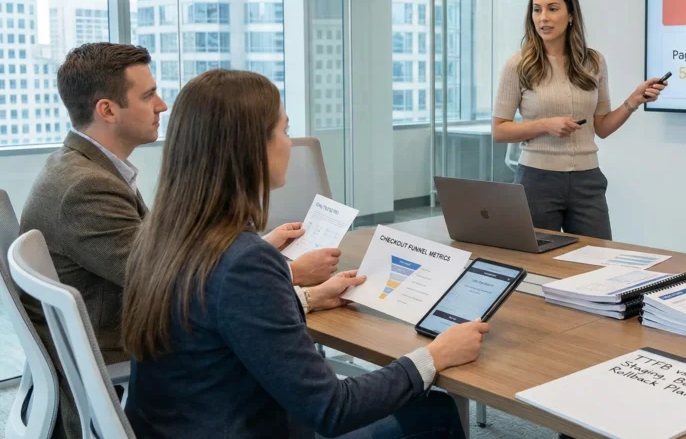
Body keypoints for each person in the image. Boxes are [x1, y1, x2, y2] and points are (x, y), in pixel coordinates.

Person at [122, 69, 489, 438]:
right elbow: (332, 408)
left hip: (180, 425)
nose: (290, 143)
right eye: (283, 130)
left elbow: (214, 320)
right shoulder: (244, 261)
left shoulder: (160, 237)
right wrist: (435, 356)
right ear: (251, 147)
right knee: (434, 411)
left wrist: (304, 299)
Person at [18, 42, 342, 438]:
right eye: (148, 94)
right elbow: (173, 282)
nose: (162, 105)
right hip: (129, 356)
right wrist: (292, 280)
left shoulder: (83, 168)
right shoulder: (86, 188)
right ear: (107, 110)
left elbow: (178, 260)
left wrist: (260, 249)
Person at [492, 0, 666, 240]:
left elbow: (602, 128)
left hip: (587, 180)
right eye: (537, 10)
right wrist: (544, 125)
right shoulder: (518, 65)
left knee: (597, 263)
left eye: (553, 8)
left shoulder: (594, 61)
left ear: (571, 14)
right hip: (537, 180)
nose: (543, 18)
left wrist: (633, 101)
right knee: (538, 264)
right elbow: (499, 131)